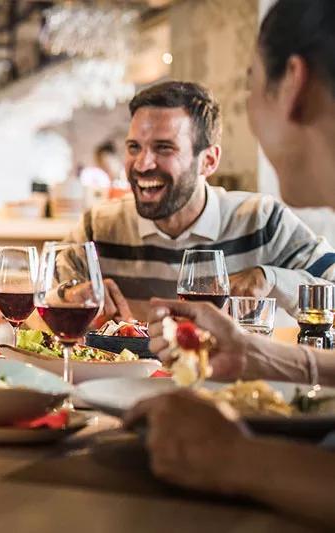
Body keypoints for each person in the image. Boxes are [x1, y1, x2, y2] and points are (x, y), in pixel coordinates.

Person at [129, 1, 335, 526]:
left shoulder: (263, 218)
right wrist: (257, 355)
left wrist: (241, 460)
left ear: (292, 82)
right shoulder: (98, 226)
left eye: (248, 86)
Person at [59, 80, 335, 321]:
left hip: (234, 381)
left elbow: (331, 286)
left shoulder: (262, 221)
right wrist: (71, 294)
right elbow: (49, 285)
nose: (142, 164)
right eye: (134, 147)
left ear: (209, 161)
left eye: (164, 148)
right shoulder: (99, 226)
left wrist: (270, 279)